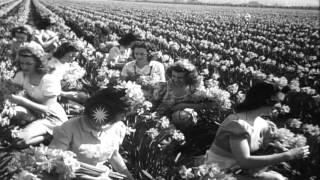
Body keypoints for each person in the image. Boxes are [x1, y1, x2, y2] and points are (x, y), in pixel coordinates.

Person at [204, 82, 310, 180]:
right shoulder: (237, 124)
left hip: (241, 170)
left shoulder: (264, 124)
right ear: (264, 100)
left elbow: (263, 153)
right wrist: (288, 155)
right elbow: (245, 161)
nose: (278, 106)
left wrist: (283, 145)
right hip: (219, 172)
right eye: (276, 102)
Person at [49, 87, 134, 180]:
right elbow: (54, 162)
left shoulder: (117, 127)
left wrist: (127, 175)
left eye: (109, 122)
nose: (102, 126)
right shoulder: (69, 128)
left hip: (102, 175)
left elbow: (113, 154)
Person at [9, 42, 68, 147]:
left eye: (28, 63)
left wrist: (21, 100)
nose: (24, 67)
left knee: (20, 141)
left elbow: (46, 110)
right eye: (22, 63)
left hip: (51, 117)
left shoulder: (48, 79)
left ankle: (48, 135)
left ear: (38, 63)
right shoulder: (21, 75)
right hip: (31, 111)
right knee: (10, 115)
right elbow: (13, 92)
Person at [151, 59, 206, 130]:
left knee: (183, 115)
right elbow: (153, 103)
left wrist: (184, 105)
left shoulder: (193, 88)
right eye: (173, 76)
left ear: (188, 77)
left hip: (181, 117)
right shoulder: (164, 86)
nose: (176, 80)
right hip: (163, 116)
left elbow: (208, 104)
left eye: (180, 78)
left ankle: (185, 132)